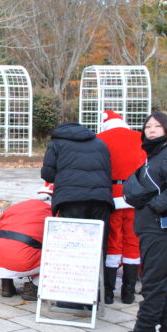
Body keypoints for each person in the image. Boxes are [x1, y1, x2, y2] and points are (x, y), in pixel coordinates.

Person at [122, 112, 167, 332]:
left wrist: (154, 206)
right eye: (148, 126)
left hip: (163, 226)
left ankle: (143, 331)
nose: (151, 130)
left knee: (152, 281)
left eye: (157, 126)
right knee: (158, 280)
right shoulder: (158, 153)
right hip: (153, 225)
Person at [41, 120, 114, 306]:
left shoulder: (57, 142)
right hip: (101, 200)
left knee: (72, 246)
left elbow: (47, 175)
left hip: (71, 199)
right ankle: (95, 295)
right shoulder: (99, 142)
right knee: (97, 247)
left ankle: (71, 298)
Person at [96, 110, 145, 304]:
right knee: (133, 241)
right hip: (135, 193)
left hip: (111, 193)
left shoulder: (100, 139)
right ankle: (128, 292)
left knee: (113, 241)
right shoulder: (139, 137)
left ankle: (108, 292)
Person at [0, 184, 53, 300]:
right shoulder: (52, 211)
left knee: (8, 243)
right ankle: (33, 287)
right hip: (22, 259)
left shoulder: (17, 206)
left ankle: (7, 284)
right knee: (56, 251)